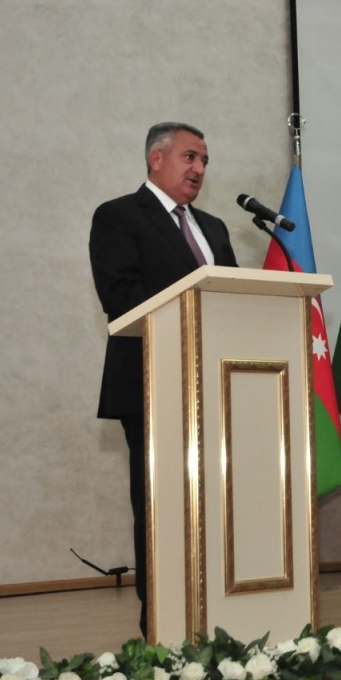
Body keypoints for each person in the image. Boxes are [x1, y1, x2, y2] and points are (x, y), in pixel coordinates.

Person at [89, 122, 238, 638]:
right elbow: (121, 296)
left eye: (204, 162)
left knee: (217, 505)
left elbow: (236, 301)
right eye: (190, 158)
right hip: (153, 387)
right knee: (160, 507)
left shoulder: (214, 228)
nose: (199, 169)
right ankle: (162, 621)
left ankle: (221, 611)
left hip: (216, 388)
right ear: (157, 159)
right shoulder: (117, 216)